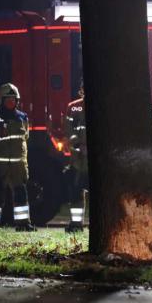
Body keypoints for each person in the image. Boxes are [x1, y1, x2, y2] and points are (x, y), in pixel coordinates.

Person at [0, 83, 34, 231]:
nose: (11, 102)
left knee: (21, 195)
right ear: (1, 101)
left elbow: (25, 138)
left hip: (18, 166)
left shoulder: (23, 118)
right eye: (8, 99)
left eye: (13, 99)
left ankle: (23, 224)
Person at [63, 89, 88, 233]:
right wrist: (77, 143)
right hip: (77, 159)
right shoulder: (73, 107)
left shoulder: (101, 105)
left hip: (93, 159)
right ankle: (76, 224)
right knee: (76, 192)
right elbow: (68, 129)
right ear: (81, 90)